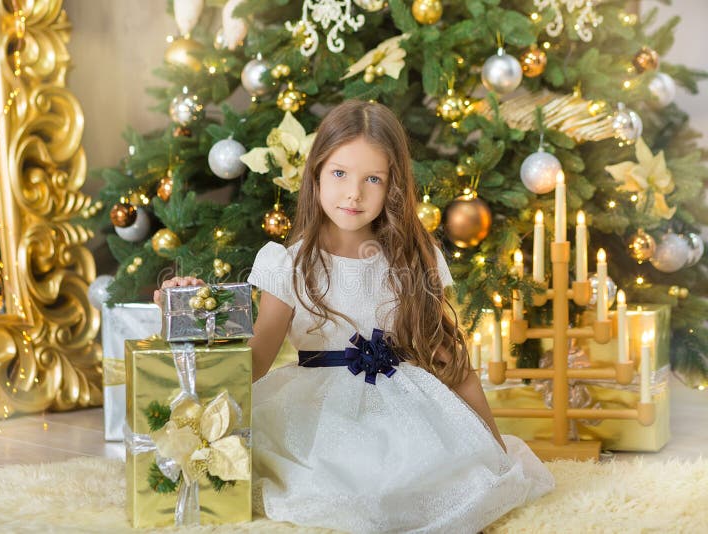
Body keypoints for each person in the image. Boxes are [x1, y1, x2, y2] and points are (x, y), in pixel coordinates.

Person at [155, 100, 554, 533]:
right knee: (345, 491)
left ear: (393, 187)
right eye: (340, 173)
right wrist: (193, 314)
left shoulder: (414, 260)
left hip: (405, 410)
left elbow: (449, 362)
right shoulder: (287, 264)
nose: (354, 193)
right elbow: (255, 362)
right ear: (316, 174)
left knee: (428, 485)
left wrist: (493, 446)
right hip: (315, 414)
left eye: (373, 179)